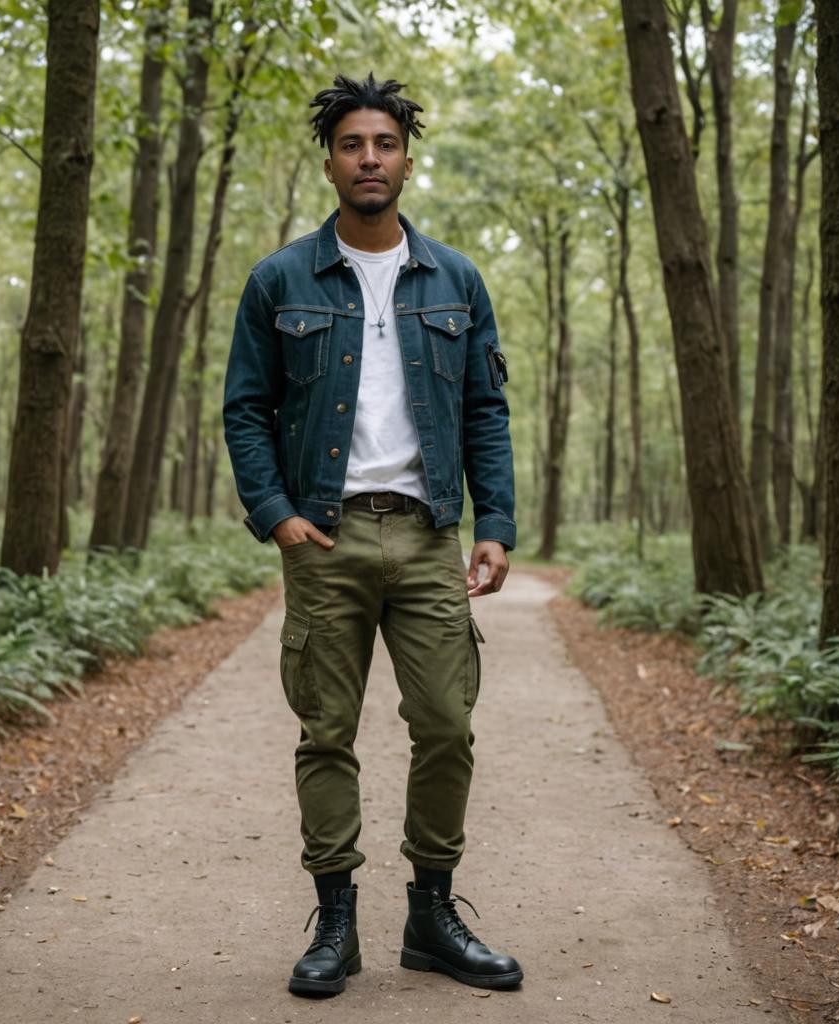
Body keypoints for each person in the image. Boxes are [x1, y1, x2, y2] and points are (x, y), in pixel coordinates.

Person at [222, 72, 520, 997]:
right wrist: (277, 516)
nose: (369, 159)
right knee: (326, 731)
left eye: (383, 144)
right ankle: (337, 923)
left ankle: (432, 915)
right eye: (353, 145)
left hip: (429, 534)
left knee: (446, 724)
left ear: (406, 158)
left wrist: (495, 522)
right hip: (328, 539)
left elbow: (484, 410)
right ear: (330, 162)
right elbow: (244, 409)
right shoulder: (280, 278)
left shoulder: (456, 279)